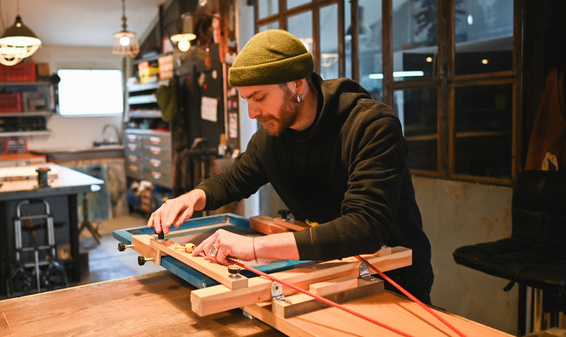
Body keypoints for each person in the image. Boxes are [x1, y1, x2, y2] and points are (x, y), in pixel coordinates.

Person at [147, 29, 434, 303]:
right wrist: (192, 197)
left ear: (298, 84)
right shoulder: (272, 136)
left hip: (391, 284)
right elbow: (235, 179)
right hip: (326, 275)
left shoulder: (370, 126)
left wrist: (254, 248)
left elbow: (365, 227)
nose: (252, 112)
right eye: (246, 100)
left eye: (259, 98)